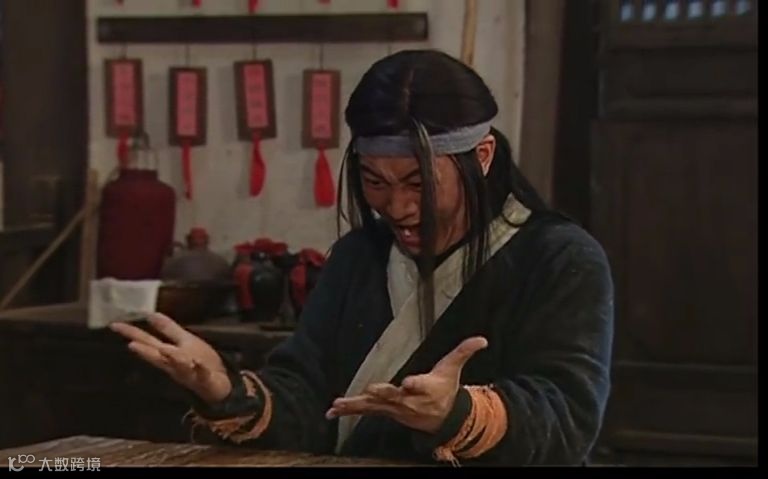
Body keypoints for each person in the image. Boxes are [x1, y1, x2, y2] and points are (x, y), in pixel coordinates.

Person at [110, 49, 614, 466]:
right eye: (375, 181)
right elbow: (309, 399)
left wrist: (457, 413)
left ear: (481, 157)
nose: (397, 207)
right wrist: (227, 391)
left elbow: (567, 420)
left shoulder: (558, 258)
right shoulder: (360, 256)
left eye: (418, 183)